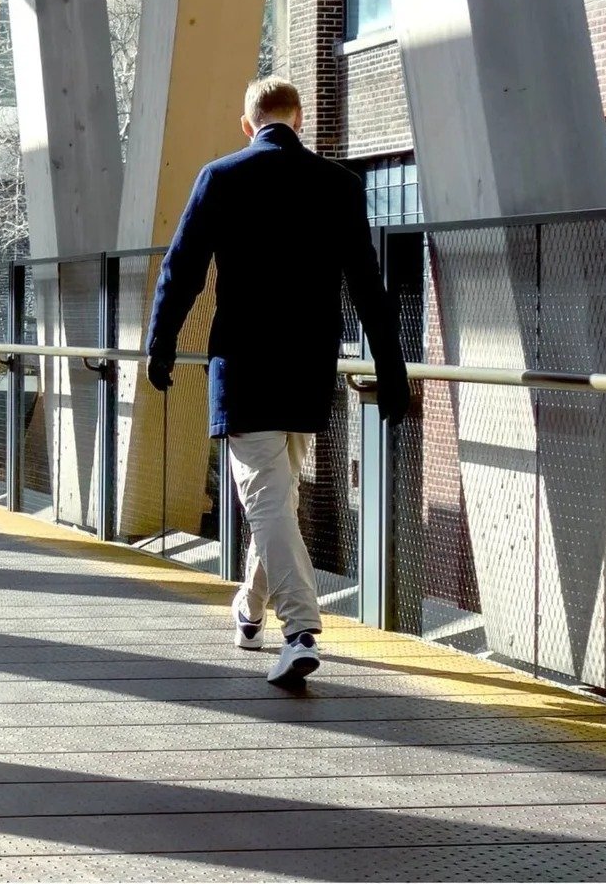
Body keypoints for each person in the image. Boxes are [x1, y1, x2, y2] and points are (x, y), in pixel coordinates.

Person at [145, 77, 411, 688]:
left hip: (244, 368)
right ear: (301, 121)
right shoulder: (338, 185)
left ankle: (299, 632)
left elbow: (180, 269)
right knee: (275, 496)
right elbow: (369, 286)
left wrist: (162, 344)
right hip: (307, 369)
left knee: (268, 497)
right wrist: (391, 369)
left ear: (248, 124)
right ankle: (250, 609)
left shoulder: (222, 177)